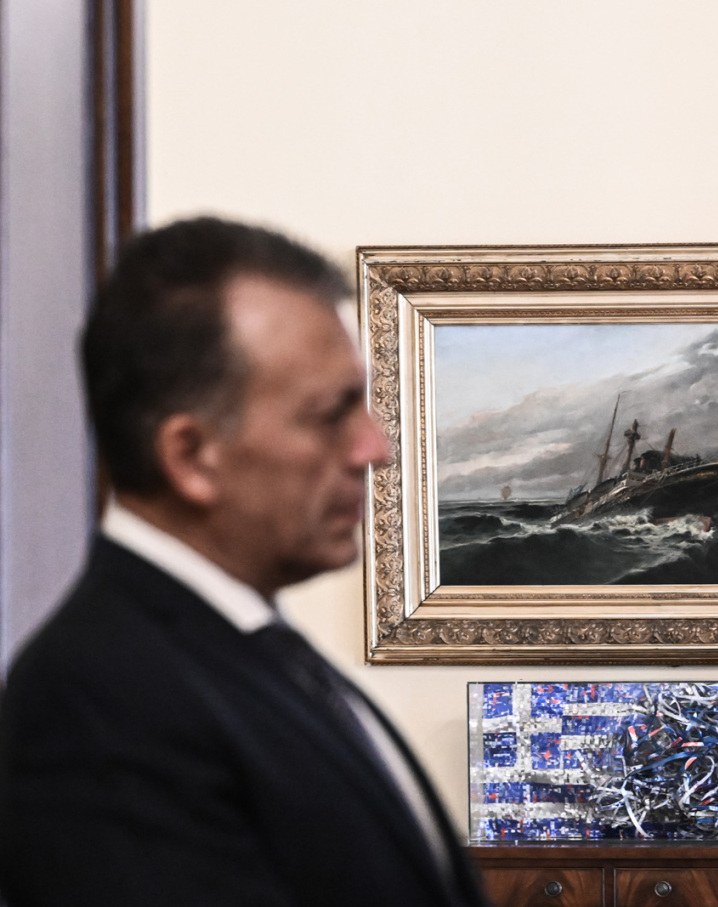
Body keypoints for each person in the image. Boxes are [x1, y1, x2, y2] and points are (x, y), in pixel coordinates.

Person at [0, 217, 489, 907]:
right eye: (331, 414)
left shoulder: (250, 649)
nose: (374, 448)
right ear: (191, 456)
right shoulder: (96, 701)